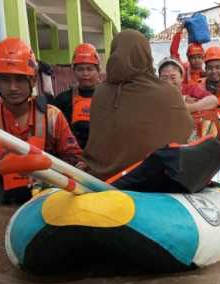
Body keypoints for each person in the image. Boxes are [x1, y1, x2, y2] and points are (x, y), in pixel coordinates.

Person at [82, 29, 194, 181]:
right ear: (147, 55)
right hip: (156, 182)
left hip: (104, 180)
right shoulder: (168, 93)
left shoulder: (100, 92)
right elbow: (185, 133)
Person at [0, 37, 82, 204]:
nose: (13, 87)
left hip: (47, 208)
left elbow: (76, 161)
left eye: (20, 79)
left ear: (33, 81)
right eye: (5, 79)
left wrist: (48, 173)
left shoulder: (52, 116)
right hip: (0, 209)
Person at [158, 57, 220, 138]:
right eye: (164, 78)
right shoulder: (155, 93)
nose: (169, 82)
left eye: (173, 77)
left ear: (181, 77)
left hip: (191, 137)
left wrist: (190, 107)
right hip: (165, 137)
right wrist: (183, 99)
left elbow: (214, 100)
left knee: (211, 115)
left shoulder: (191, 89)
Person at [51, 43, 100, 149]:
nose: (85, 73)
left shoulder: (108, 98)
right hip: (72, 157)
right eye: (80, 69)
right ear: (74, 71)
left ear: (98, 71)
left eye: (90, 69)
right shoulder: (62, 100)